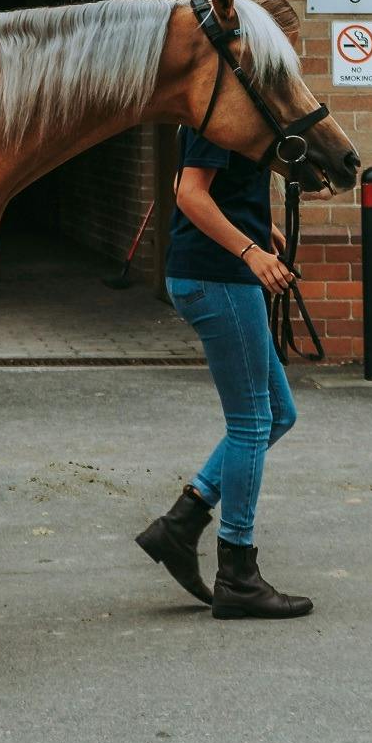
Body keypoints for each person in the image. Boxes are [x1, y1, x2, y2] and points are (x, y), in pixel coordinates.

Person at [134, 119, 314, 620]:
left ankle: (182, 521)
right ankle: (237, 572)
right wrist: (250, 250)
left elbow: (187, 183)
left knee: (279, 413)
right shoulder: (216, 112)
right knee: (252, 421)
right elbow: (190, 195)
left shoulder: (229, 106)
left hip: (216, 273)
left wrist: (258, 227)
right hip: (220, 279)